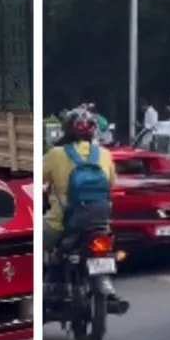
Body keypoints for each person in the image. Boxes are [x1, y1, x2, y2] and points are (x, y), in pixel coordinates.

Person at [42, 107, 116, 259]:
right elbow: (111, 183)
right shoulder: (105, 154)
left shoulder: (56, 154)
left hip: (62, 223)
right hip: (100, 223)